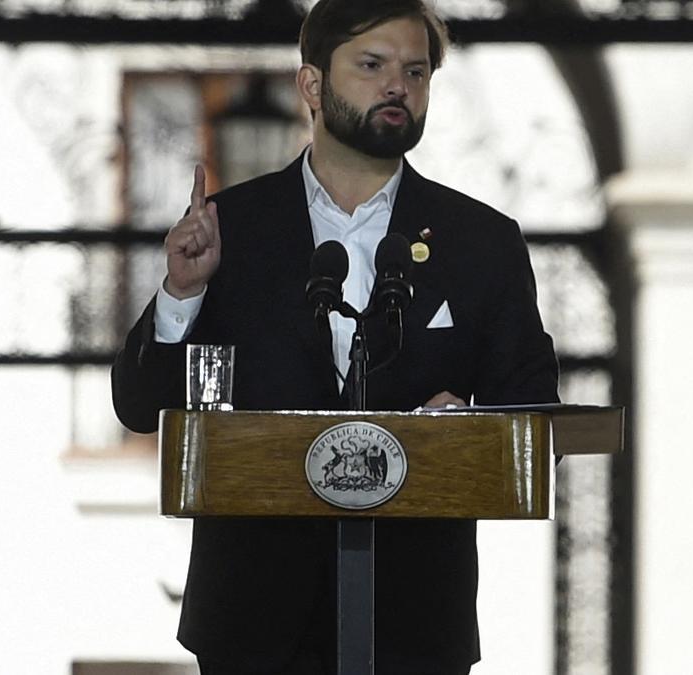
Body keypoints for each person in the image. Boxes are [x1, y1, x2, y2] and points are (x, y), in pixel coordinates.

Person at [111, 0, 559, 672]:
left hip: (414, 625)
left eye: (415, 71)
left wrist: (467, 431)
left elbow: (534, 426)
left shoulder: (481, 242)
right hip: (253, 626)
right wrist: (183, 292)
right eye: (372, 65)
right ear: (312, 85)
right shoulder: (232, 227)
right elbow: (140, 405)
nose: (397, 87)